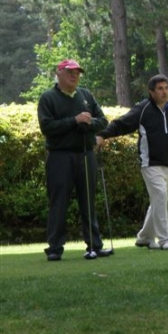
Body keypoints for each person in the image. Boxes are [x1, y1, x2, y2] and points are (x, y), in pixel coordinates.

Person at [96, 74, 168, 250]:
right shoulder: (142, 109)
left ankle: (144, 237)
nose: (164, 92)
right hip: (150, 163)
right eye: (160, 89)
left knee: (159, 201)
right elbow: (121, 124)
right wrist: (103, 135)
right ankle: (165, 239)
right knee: (160, 196)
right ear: (151, 92)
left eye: (166, 88)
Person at [37, 59, 112, 261]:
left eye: (78, 72)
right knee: (58, 202)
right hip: (60, 156)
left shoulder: (86, 95)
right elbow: (47, 128)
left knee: (88, 201)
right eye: (70, 72)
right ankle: (54, 248)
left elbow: (102, 121)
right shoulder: (48, 98)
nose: (75, 76)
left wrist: (89, 123)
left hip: (86, 154)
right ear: (59, 73)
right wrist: (74, 121)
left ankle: (94, 246)